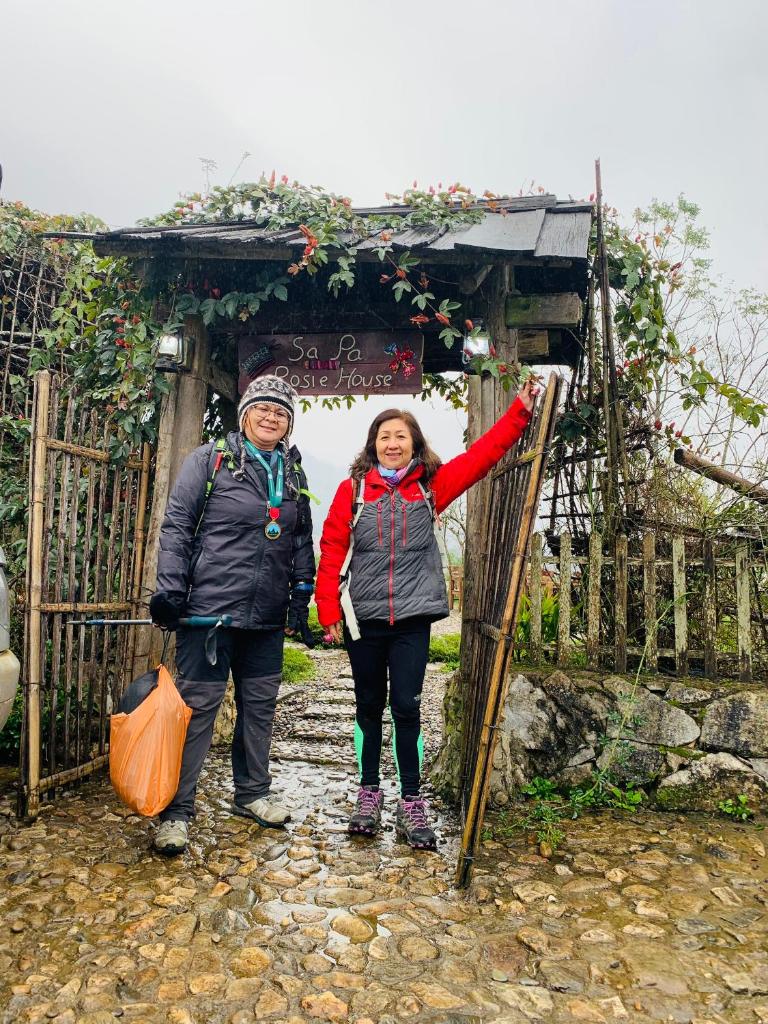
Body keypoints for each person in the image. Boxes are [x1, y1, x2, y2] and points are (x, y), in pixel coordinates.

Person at [315, 379, 537, 849]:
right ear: (373, 446)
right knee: (369, 706)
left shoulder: (431, 488)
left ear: (414, 443)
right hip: (364, 620)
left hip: (413, 618)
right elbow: (332, 548)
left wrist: (520, 411)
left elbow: (482, 457)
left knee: (408, 707)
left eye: (400, 436)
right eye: (384, 437)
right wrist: (328, 610)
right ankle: (368, 793)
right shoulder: (352, 492)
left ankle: (411, 800)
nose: (392, 444)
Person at [149, 376, 315, 855]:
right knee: (197, 711)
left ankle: (253, 794)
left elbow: (301, 536)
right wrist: (171, 590)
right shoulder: (211, 459)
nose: (271, 417)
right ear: (244, 413)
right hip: (208, 615)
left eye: (281, 412)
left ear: (289, 423)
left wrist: (301, 594)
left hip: (265, 617)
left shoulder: (293, 471)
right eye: (263, 408)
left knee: (259, 709)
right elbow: (178, 525)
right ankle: (176, 812)